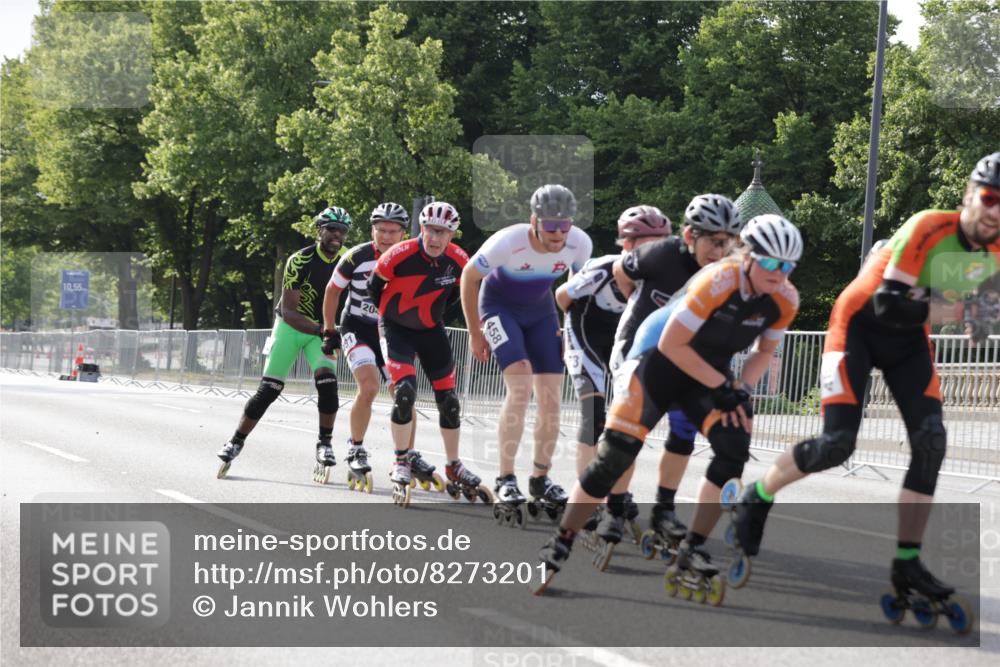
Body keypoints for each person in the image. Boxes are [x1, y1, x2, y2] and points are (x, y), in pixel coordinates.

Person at [734, 152, 1000, 618]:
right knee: (837, 444)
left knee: (932, 441)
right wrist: (963, 311)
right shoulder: (928, 227)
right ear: (969, 196)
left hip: (910, 343)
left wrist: (979, 316)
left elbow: (981, 309)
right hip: (858, 325)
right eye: (990, 197)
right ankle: (757, 497)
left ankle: (907, 562)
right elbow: (889, 306)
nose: (996, 211)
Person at [534, 214, 802, 599]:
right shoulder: (718, 280)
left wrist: (740, 388)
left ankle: (692, 548)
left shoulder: (785, 298)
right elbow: (672, 347)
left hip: (704, 371)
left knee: (734, 447)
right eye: (773, 263)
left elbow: (765, 351)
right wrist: (723, 386)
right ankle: (562, 538)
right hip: (656, 359)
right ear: (748, 257)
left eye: (789, 266)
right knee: (615, 456)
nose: (781, 273)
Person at [595, 195, 746, 552]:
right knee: (629, 435)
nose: (719, 250)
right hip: (639, 347)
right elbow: (621, 272)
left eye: (727, 242)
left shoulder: (730, 270)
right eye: (712, 240)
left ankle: (663, 509)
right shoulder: (661, 253)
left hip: (687, 357)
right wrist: (639, 301)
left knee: (683, 434)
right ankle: (612, 508)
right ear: (691, 236)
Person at [460, 184, 593, 524]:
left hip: (541, 312)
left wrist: (570, 329)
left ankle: (540, 478)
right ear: (534, 221)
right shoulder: (508, 241)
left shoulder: (579, 242)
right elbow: (468, 277)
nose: (558, 234)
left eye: (564, 226)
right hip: (498, 307)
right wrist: (475, 333)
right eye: (550, 226)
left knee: (551, 398)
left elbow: (574, 290)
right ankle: (506, 478)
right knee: (520, 387)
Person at [216, 206, 351, 481]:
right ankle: (236, 441)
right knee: (269, 388)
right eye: (332, 229)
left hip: (322, 329)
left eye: (342, 231)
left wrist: (334, 330)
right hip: (291, 326)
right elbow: (289, 311)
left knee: (328, 383)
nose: (337, 235)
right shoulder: (299, 261)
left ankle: (324, 444)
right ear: (320, 230)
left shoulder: (347, 263)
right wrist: (322, 330)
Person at [369, 201, 489, 507]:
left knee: (449, 401)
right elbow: (374, 287)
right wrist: (387, 318)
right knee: (405, 393)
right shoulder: (400, 253)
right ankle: (400, 460)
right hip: (398, 330)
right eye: (431, 231)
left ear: (451, 234)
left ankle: (453, 464)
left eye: (443, 232)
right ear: (421, 228)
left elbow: (464, 293)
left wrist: (435, 314)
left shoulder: (460, 259)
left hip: (432, 330)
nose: (435, 238)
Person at [321, 202, 409, 490]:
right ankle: (355, 447)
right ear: (372, 230)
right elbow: (332, 291)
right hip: (356, 326)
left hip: (390, 330)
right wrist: (330, 329)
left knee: (403, 392)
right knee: (369, 386)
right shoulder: (356, 256)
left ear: (403, 234)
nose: (385, 237)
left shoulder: (410, 259)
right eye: (380, 230)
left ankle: (404, 457)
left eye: (392, 231)